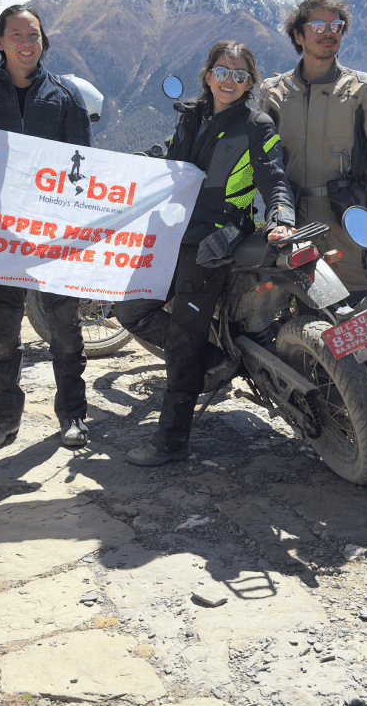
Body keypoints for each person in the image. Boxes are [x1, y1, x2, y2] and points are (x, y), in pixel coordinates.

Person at [125, 41, 295, 466]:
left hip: (215, 239)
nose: (229, 81)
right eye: (221, 72)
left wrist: (280, 217)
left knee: (185, 337)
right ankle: (216, 360)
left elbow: (274, 178)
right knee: (130, 308)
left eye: (239, 75)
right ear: (207, 76)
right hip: (172, 231)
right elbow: (173, 165)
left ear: (250, 83)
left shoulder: (256, 125)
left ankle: (171, 442)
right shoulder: (191, 116)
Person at [0, 5, 94, 451]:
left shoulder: (66, 96)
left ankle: (72, 415)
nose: (27, 43)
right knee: (2, 332)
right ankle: (5, 418)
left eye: (34, 35)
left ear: (43, 42)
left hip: (54, 233)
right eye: (16, 34)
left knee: (65, 328)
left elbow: (84, 170)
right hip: (1, 232)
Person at [259, 0, 367, 377]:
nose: (328, 32)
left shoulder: (362, 88)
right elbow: (265, 159)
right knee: (309, 307)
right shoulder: (275, 93)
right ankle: (323, 398)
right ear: (299, 36)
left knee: (359, 309)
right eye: (317, 25)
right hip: (295, 220)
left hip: (346, 221)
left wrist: (354, 196)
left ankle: (366, 396)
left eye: (336, 25)